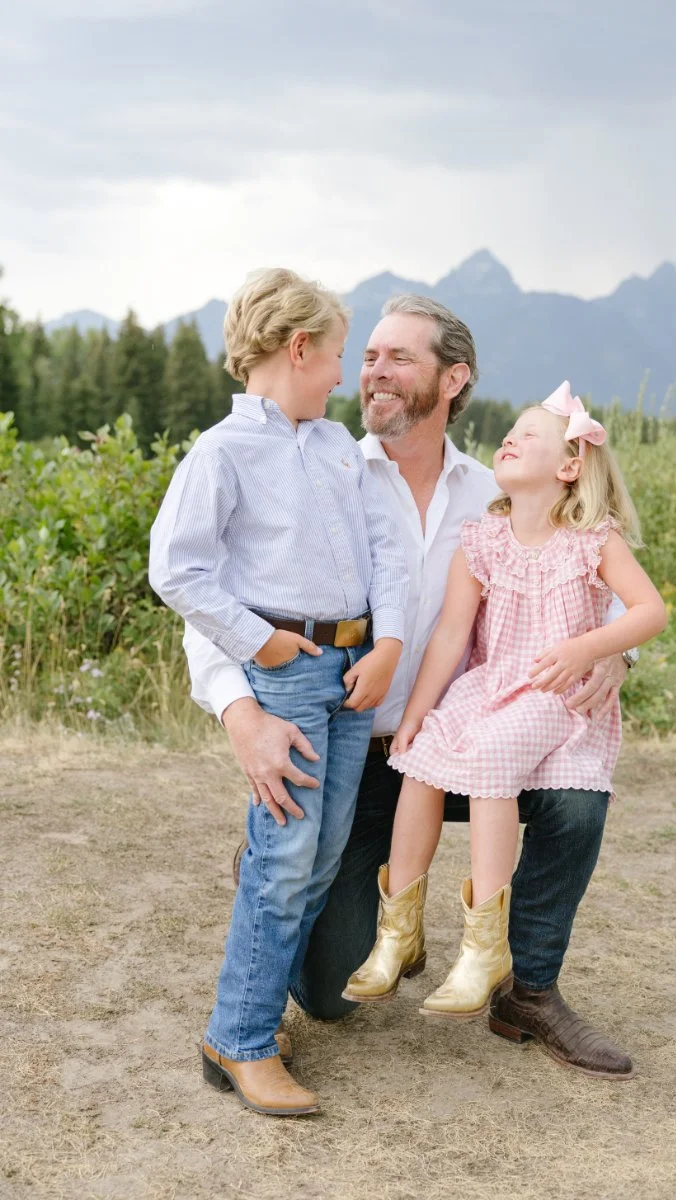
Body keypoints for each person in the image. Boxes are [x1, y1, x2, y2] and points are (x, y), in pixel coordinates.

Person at [185, 295, 642, 1082]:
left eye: (398, 357)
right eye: (365, 356)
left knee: (575, 795)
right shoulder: (319, 465)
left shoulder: (494, 490)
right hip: (358, 755)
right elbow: (217, 596)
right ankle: (308, 889)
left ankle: (527, 989)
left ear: (452, 378)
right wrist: (240, 712)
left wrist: (614, 659)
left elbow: (595, 594)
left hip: (478, 739)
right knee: (331, 994)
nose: (372, 371)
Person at [149, 268, 408, 1117]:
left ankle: (259, 999)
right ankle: (243, 1035)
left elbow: (386, 550)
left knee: (323, 855)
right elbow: (176, 566)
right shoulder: (222, 454)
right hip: (288, 674)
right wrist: (257, 640)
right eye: (336, 355)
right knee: (288, 859)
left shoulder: (337, 447)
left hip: (356, 669)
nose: (343, 375)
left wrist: (389, 641)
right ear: (298, 349)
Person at [342, 382, 667, 1026]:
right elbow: (450, 639)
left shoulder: (592, 541)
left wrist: (594, 648)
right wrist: (415, 717)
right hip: (490, 686)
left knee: (490, 757)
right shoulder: (483, 539)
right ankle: (397, 931)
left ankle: (484, 948)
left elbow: (651, 610)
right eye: (511, 433)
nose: (511, 439)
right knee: (421, 758)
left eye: (530, 437)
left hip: (553, 692)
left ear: (570, 467)